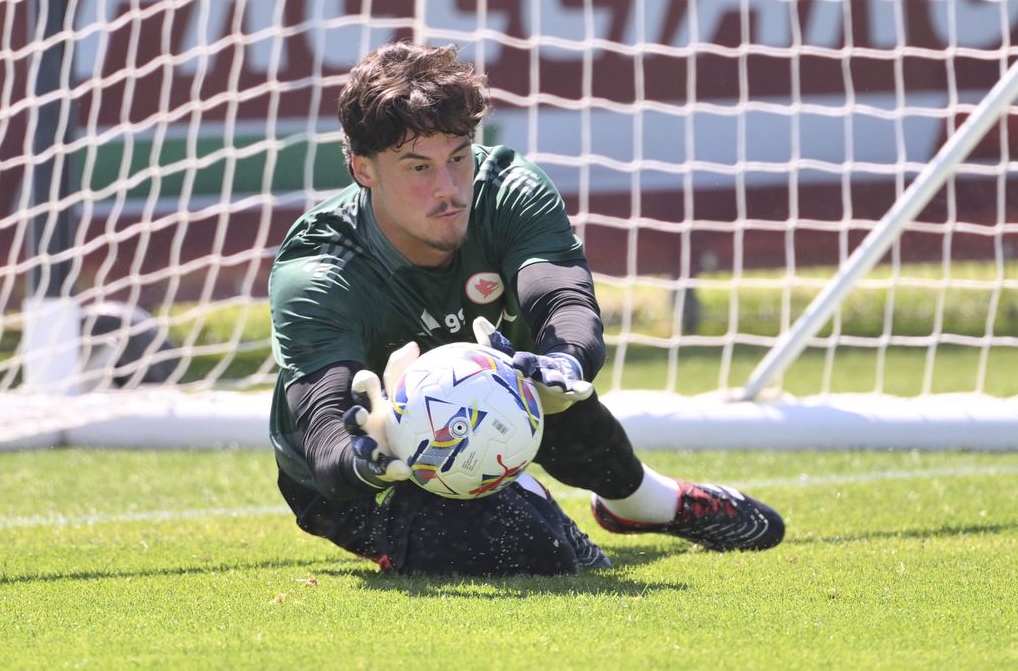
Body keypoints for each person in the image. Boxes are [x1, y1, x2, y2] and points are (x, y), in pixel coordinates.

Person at [268, 41, 784, 576]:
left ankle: (645, 504)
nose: (448, 189)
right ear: (363, 169)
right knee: (543, 554)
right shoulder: (318, 271)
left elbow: (563, 298)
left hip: (495, 392)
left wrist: (568, 361)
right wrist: (364, 458)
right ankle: (535, 507)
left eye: (459, 157)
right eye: (418, 166)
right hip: (350, 485)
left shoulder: (509, 190)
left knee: (545, 379)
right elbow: (325, 434)